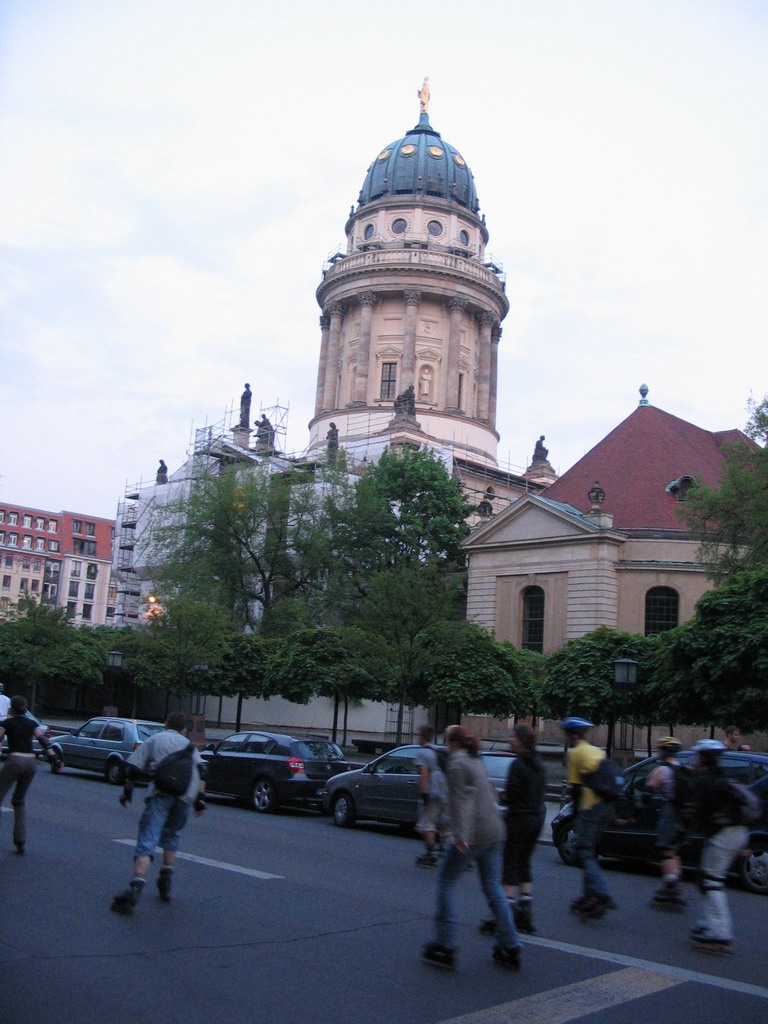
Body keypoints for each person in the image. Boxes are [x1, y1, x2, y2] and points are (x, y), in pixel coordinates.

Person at [421, 726, 521, 971]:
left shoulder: (456, 765)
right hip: (495, 832)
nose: (445, 748)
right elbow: (488, 793)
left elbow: (457, 803)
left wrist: (459, 836)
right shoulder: (477, 760)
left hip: (473, 835)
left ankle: (445, 944)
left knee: (446, 883)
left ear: (453, 743)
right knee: (493, 888)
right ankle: (510, 944)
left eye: (446, 742)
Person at [111, 711, 207, 914]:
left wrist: (127, 792)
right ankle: (166, 878)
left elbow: (132, 767)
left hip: (161, 793)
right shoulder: (190, 747)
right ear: (184, 729)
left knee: (148, 837)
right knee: (172, 834)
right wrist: (200, 800)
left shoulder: (155, 739)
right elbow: (202, 770)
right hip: (185, 795)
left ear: (165, 724)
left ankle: (136, 886)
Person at [688, 739, 749, 954]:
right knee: (704, 878)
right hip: (735, 832)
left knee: (712, 881)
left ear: (704, 758)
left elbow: (694, 812)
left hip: (725, 834)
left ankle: (721, 933)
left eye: (697, 755)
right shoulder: (723, 777)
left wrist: (679, 835)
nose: (694, 760)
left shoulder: (706, 781)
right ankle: (708, 922)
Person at [562, 716, 617, 919]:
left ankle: (601, 892)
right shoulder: (596, 750)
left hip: (590, 807)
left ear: (573, 735)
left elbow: (575, 789)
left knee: (584, 852)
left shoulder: (575, 754)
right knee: (589, 852)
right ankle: (589, 894)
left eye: (567, 735)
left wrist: (575, 815)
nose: (566, 738)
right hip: (607, 806)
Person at [499, 724, 547, 934]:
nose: (509, 740)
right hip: (536, 819)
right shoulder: (540, 763)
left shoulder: (517, 765)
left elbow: (511, 794)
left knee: (510, 862)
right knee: (525, 862)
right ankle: (525, 908)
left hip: (518, 818)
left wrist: (501, 796)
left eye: (512, 737)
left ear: (520, 741)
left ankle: (506, 910)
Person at [0, 695, 59, 853]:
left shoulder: (7, 722)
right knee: (19, 801)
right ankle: (20, 840)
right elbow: (43, 740)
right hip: (31, 763)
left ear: (11, 708)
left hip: (14, 760)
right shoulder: (32, 723)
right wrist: (54, 758)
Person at [643, 736, 690, 911]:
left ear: (663, 751)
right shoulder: (682, 768)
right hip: (683, 813)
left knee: (667, 851)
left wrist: (635, 812)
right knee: (674, 849)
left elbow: (647, 793)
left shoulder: (661, 771)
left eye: (659, 750)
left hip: (670, 811)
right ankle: (674, 883)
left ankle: (671, 888)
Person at [414, 724, 447, 867]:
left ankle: (431, 854)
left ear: (422, 737)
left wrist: (424, 794)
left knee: (428, 823)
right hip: (444, 790)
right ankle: (446, 850)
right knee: (443, 822)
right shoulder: (437, 750)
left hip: (433, 791)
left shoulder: (422, 753)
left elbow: (424, 775)